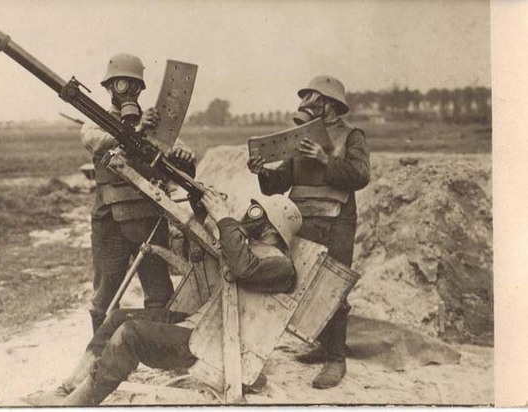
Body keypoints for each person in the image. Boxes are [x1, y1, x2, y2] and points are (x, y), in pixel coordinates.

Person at [52, 188, 303, 405]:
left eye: (256, 213)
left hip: (213, 345)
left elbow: (242, 267)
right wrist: (201, 215)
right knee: (119, 317)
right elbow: (198, 259)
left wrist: (225, 219)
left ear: (272, 225)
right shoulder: (253, 252)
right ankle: (73, 384)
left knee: (130, 334)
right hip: (204, 328)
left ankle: (78, 404)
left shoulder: (282, 267)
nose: (249, 216)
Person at [247, 75, 370, 389]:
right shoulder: (299, 138)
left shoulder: (351, 135)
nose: (307, 105)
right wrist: (263, 171)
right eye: (306, 100)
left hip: (336, 220)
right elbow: (281, 183)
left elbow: (360, 175)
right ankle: (322, 346)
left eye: (315, 100)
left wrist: (325, 159)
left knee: (333, 289)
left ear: (330, 104)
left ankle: (335, 359)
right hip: (302, 219)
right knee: (301, 286)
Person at [81, 53, 196, 334]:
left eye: (134, 86)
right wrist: (132, 129)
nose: (128, 92)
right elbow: (93, 141)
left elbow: (186, 164)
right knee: (106, 291)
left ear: (142, 90)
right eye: (121, 85)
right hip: (110, 221)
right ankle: (99, 354)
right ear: (109, 88)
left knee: (159, 291)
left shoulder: (155, 123)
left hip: (149, 219)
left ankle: (157, 348)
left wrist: (183, 156)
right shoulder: (96, 122)